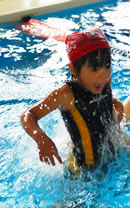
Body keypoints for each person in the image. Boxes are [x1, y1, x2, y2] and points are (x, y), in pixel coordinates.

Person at [20, 28, 123, 174]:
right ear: (73, 69)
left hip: (111, 156)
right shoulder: (66, 94)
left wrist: (114, 106)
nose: (103, 75)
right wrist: (41, 139)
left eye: (107, 66)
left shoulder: (104, 80)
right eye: (94, 69)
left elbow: (101, 105)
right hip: (82, 170)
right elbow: (28, 115)